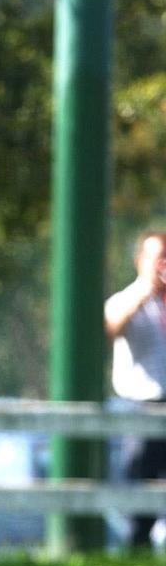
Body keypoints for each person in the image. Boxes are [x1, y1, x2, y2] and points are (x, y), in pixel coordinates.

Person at [105, 230, 166, 548]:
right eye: (158, 259)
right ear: (141, 262)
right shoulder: (126, 299)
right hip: (140, 406)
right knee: (139, 489)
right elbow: (111, 324)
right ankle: (136, 549)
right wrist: (146, 289)